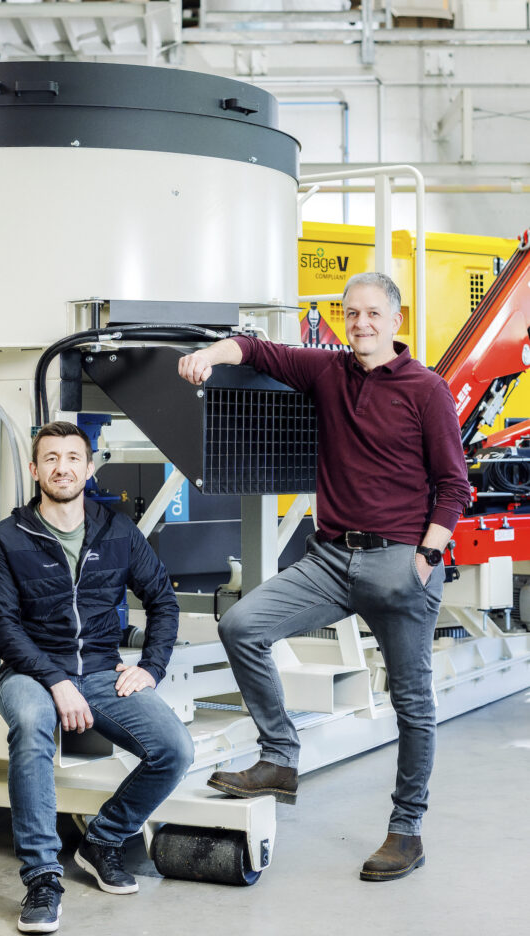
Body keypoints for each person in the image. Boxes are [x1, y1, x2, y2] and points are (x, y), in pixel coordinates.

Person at [177, 272, 470, 883]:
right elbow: (256, 350)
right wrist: (208, 355)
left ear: (396, 321)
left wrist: (425, 559)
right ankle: (280, 757)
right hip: (332, 561)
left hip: (400, 564)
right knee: (241, 625)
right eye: (350, 313)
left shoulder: (427, 389)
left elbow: (453, 486)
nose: (360, 323)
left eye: (372, 313)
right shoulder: (328, 372)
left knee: (413, 704)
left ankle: (406, 830)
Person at [0, 421, 193, 932]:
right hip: (30, 672)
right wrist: (56, 681)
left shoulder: (117, 531)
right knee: (31, 725)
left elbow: (162, 601)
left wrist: (151, 668)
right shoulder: (6, 538)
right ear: (35, 470)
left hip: (100, 670)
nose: (63, 468)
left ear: (89, 468)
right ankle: (42, 878)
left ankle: (103, 839)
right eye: (51, 458)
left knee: (175, 750)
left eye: (73, 458)